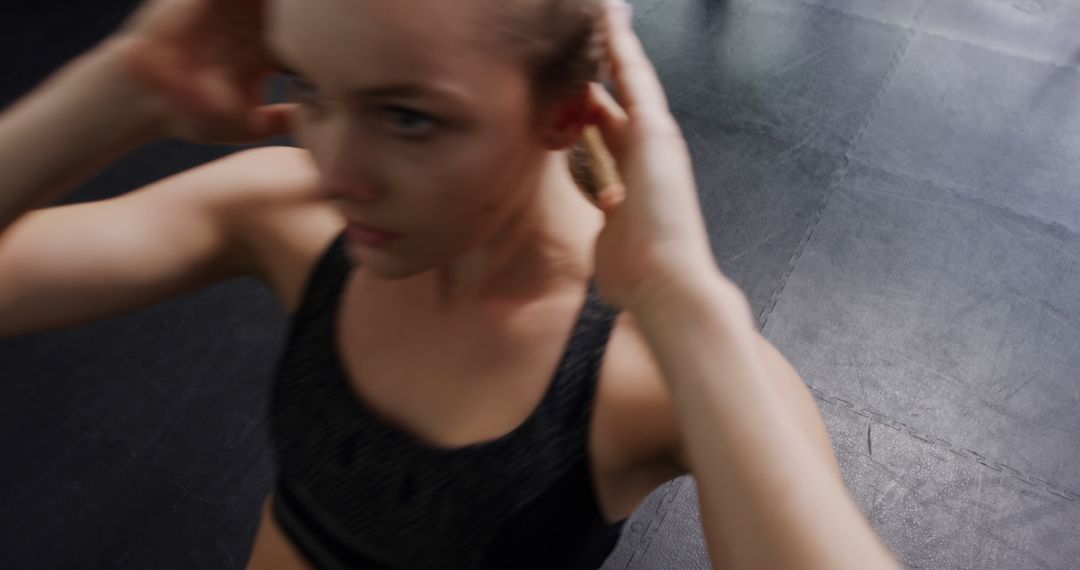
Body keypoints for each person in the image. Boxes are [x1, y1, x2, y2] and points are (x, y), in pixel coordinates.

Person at [0, 0, 902, 568]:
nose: (336, 164)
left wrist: (687, 305)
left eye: (408, 117)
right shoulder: (287, 215)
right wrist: (118, 89)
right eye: (311, 88)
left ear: (564, 115)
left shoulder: (647, 366)